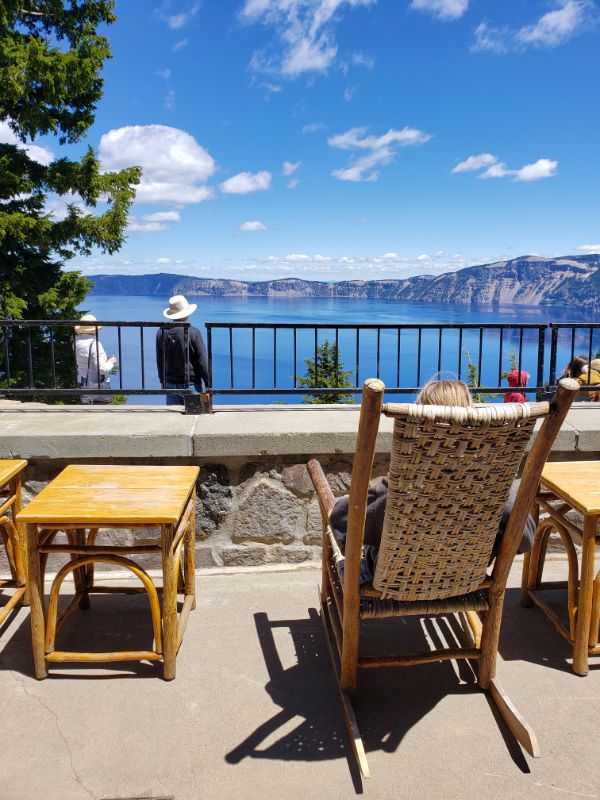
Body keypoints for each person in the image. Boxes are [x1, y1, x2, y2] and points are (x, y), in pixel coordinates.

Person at [329, 378, 536, 584]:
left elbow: (341, 520)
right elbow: (525, 538)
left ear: (421, 425)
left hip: (395, 579)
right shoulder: (490, 489)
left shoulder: (400, 488)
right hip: (463, 578)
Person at [156, 295, 209, 405]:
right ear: (187, 314)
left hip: (170, 384)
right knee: (195, 416)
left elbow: (159, 359)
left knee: (174, 419)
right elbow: (202, 361)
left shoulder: (161, 332)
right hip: (191, 384)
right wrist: (209, 383)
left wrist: (162, 380)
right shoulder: (193, 332)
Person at [74, 314, 116, 404]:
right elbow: (102, 369)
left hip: (82, 381)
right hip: (97, 384)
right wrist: (111, 362)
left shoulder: (76, 342)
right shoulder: (95, 344)